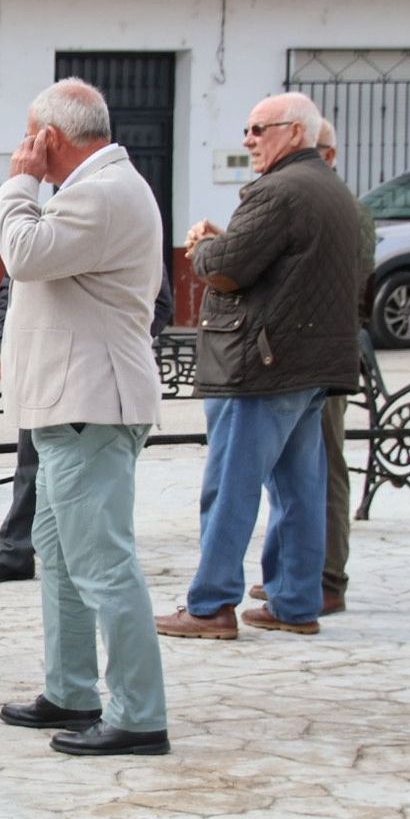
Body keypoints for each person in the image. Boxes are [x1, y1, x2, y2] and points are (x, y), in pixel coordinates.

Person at [0, 78, 170, 757]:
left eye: (28, 135)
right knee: (63, 560)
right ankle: (70, 688)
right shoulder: (91, 189)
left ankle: (138, 712)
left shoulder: (101, 191)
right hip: (65, 408)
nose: (23, 147)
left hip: (91, 408)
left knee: (102, 564)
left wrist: (18, 184)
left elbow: (25, 254)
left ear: (49, 139)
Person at [156, 93, 363, 641]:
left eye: (257, 129)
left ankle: (211, 604)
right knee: (299, 489)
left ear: (293, 132)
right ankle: (296, 602)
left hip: (262, 363)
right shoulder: (333, 190)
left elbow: (229, 268)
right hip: (311, 365)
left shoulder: (279, 190)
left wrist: (202, 246)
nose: (247, 139)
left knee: (230, 486)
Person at [0, 267, 172, 585]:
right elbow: (10, 293)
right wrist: (1, 348)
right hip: (43, 373)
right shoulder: (35, 233)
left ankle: (93, 558)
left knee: (97, 477)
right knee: (30, 467)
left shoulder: (121, 227)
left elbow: (160, 304)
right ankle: (14, 553)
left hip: (98, 380)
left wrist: (119, 341)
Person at [249, 118, 376, 618]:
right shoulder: (315, 200)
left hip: (324, 352)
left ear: (327, 153)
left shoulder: (342, 208)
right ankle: (292, 575)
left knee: (322, 464)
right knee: (293, 469)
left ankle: (325, 577)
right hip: (306, 350)